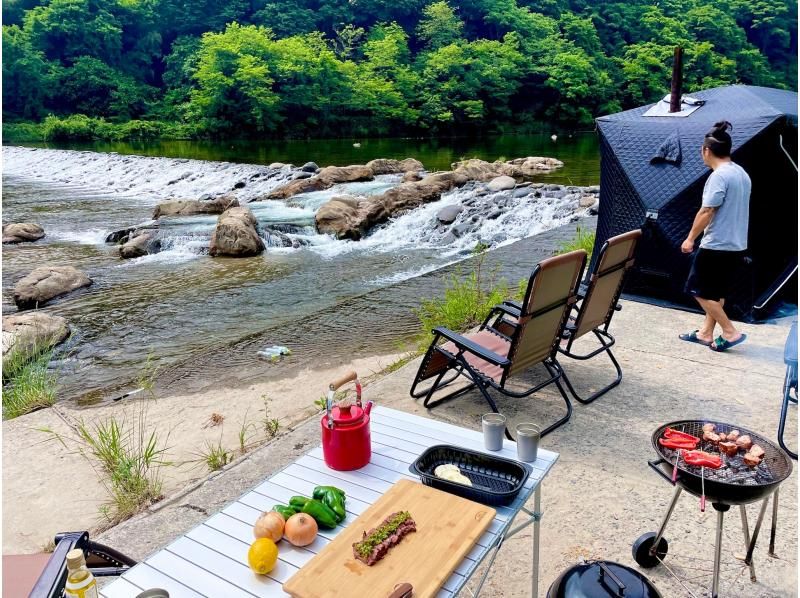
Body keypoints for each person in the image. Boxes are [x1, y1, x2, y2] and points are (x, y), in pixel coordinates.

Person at [679, 120, 750, 352]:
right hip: (737, 244)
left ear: (706, 150)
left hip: (717, 244)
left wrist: (690, 238)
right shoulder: (741, 173)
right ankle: (705, 333)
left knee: (696, 290)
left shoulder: (719, 176)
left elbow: (708, 210)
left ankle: (730, 332)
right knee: (716, 292)